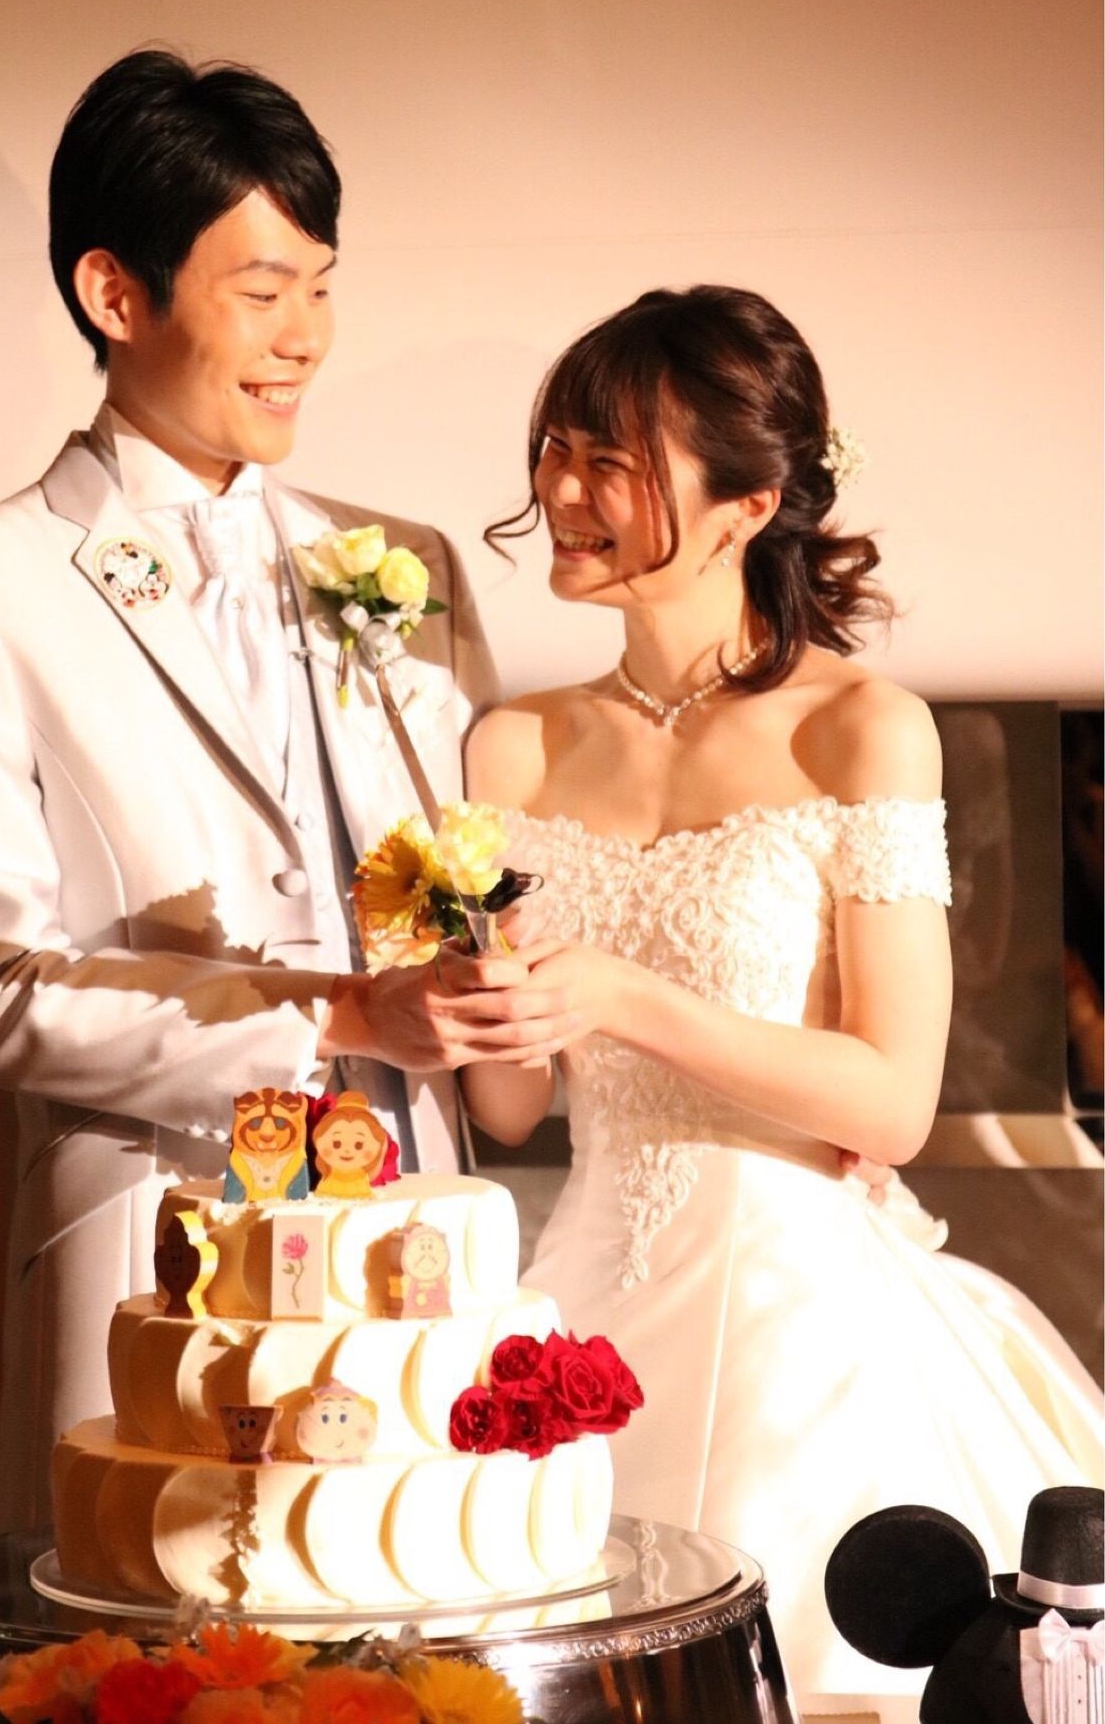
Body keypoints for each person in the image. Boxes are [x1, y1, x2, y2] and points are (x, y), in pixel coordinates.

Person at [0, 48, 578, 1530]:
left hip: (415, 1240)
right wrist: (340, 1014)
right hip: (161, 1242)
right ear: (113, 294)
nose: (303, 337)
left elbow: (467, 882)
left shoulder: (406, 564)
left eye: (321, 286)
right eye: (261, 292)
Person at [463, 285, 1105, 1698]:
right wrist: (464, 983)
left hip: (800, 1315)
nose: (561, 491)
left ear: (747, 503)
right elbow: (506, 1108)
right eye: (556, 449)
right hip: (583, 1292)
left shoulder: (860, 729)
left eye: (610, 460)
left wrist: (623, 995)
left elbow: (892, 1100)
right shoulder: (513, 744)